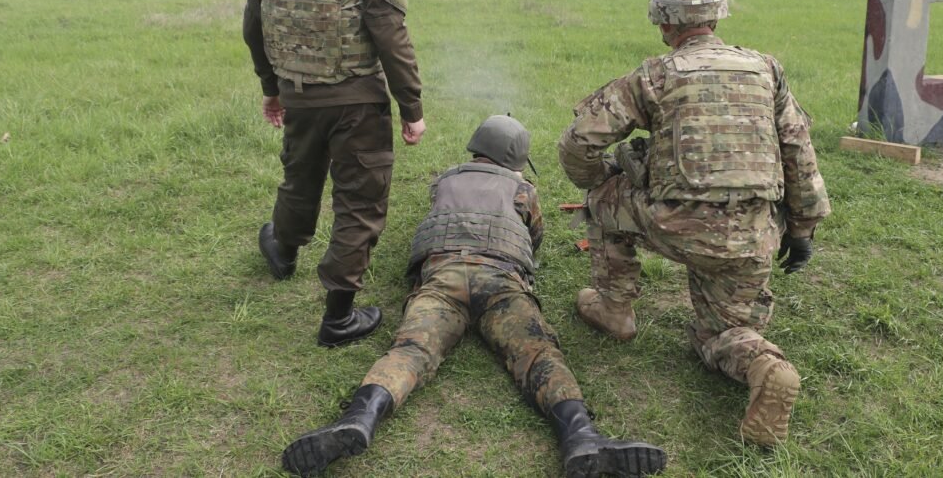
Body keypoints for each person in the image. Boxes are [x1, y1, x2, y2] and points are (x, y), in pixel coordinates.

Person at [281, 116, 667, 478]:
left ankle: (359, 418)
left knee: (411, 350)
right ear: (516, 158)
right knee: (538, 353)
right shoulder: (523, 189)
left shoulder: (446, 179)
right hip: (500, 279)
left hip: (441, 277)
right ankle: (581, 437)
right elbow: (534, 239)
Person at [558, 0, 831, 446]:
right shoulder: (767, 69)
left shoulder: (655, 76)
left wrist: (602, 180)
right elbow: (798, 151)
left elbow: (579, 142)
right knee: (720, 336)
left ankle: (614, 308)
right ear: (717, 15)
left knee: (604, 196)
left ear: (665, 22)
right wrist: (803, 229)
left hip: (675, 226)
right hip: (752, 236)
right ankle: (765, 365)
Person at [242, 0, 425, 347]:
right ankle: (338, 316)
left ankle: (283, 249)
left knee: (299, 177)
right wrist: (411, 107)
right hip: (356, 99)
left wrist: (270, 85)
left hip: (299, 91)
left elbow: (255, 19)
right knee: (360, 202)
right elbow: (390, 31)